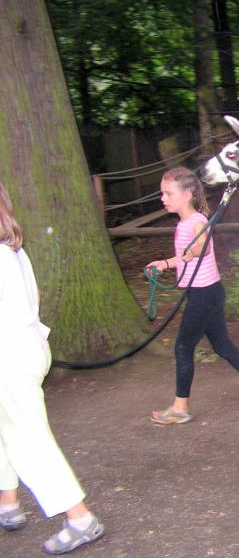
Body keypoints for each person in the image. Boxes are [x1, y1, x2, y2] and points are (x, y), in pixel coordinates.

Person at [0, 182, 105, 554]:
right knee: (8, 428)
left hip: (11, 358)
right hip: (26, 349)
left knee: (30, 441)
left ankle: (81, 520)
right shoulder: (12, 250)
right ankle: (8, 502)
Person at [147, 167, 239, 424]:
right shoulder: (184, 223)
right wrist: (165, 264)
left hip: (204, 295)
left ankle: (180, 408)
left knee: (183, 347)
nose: (163, 198)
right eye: (162, 193)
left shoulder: (197, 221)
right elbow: (185, 256)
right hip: (208, 292)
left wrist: (194, 251)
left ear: (187, 195)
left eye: (168, 193)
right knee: (223, 346)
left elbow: (203, 246)